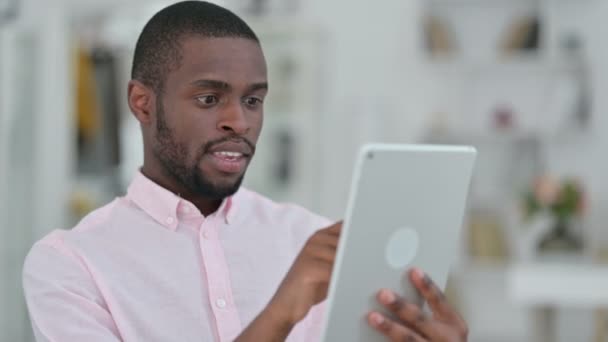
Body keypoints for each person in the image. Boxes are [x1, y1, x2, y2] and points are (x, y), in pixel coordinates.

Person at [22, 1, 468, 341]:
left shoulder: (315, 242)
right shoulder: (69, 265)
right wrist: (280, 314)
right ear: (142, 102)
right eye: (209, 98)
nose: (239, 121)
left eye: (253, 100)